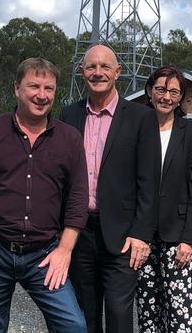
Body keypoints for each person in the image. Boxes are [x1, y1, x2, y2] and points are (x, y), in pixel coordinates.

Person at [0, 58, 88, 332]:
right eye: (33, 86)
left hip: (44, 254)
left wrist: (65, 250)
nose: (41, 95)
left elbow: (77, 198)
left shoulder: (69, 139)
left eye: (49, 88)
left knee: (73, 325)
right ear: (16, 88)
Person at [60, 44, 160, 333]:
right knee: (84, 312)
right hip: (79, 233)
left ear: (118, 72)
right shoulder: (69, 115)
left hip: (122, 236)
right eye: (91, 67)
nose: (98, 72)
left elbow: (149, 181)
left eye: (105, 67)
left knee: (118, 313)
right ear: (82, 72)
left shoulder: (141, 117)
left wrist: (141, 234)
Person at [136, 65, 192, 333]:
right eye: (161, 89)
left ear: (180, 97)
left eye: (174, 92)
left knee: (180, 314)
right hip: (141, 237)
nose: (166, 96)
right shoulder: (136, 128)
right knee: (148, 312)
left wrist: (191, 239)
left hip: (178, 237)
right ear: (150, 91)